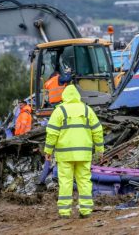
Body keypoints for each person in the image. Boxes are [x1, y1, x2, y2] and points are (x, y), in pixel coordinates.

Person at [44, 85, 104, 219]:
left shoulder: (60, 111)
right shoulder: (87, 110)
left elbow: (52, 133)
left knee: (65, 182)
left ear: (64, 96)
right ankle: (86, 210)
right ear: (77, 95)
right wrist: (100, 150)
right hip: (84, 154)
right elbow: (98, 131)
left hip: (65, 154)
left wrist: (48, 150)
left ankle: (65, 212)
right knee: (84, 181)